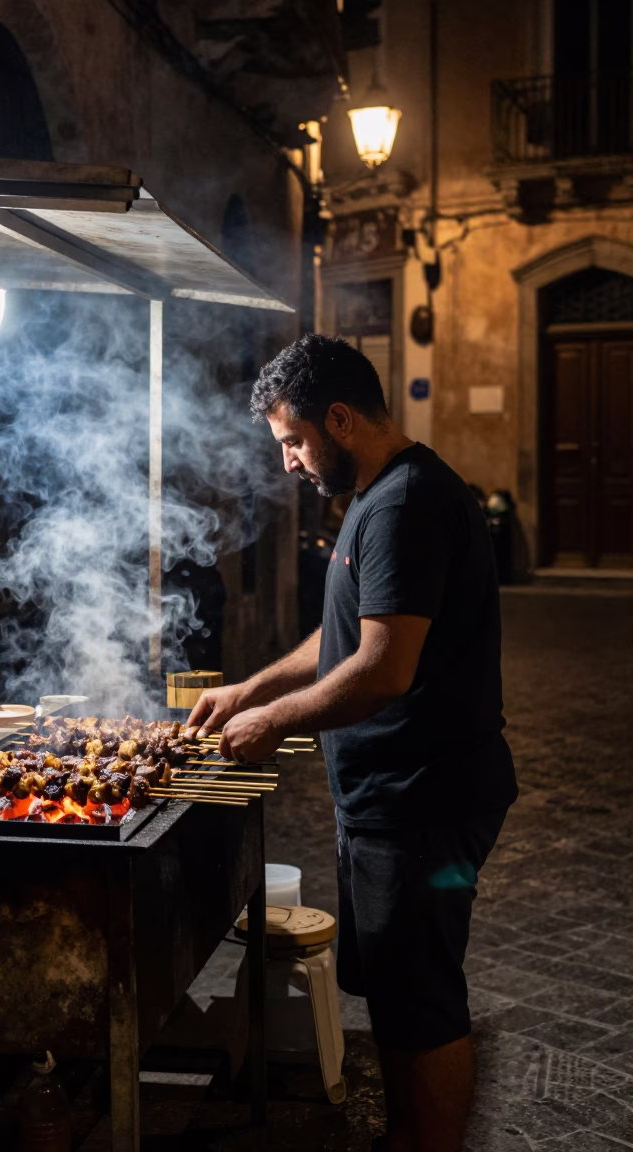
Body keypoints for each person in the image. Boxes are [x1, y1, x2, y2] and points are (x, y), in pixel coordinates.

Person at [187, 334, 517, 1152]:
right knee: (403, 997)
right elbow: (344, 635)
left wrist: (272, 723)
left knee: (426, 1000)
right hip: (393, 797)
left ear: (340, 418)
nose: (291, 463)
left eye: (295, 441)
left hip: (425, 800)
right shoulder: (378, 496)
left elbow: (382, 667)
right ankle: (406, 1134)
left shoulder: (405, 504)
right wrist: (251, 687)